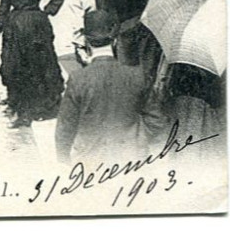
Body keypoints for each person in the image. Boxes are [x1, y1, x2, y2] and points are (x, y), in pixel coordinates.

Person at [55, 10, 160, 167]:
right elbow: (157, 121)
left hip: (90, 161)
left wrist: (64, 159)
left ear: (86, 41)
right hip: (131, 159)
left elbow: (65, 128)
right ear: (115, 41)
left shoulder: (78, 79)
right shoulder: (137, 75)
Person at [0, 0, 64, 127]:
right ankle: (14, 100)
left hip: (35, 31)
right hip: (14, 29)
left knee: (34, 68)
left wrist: (45, 13)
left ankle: (31, 110)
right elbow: (3, 5)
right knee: (11, 66)